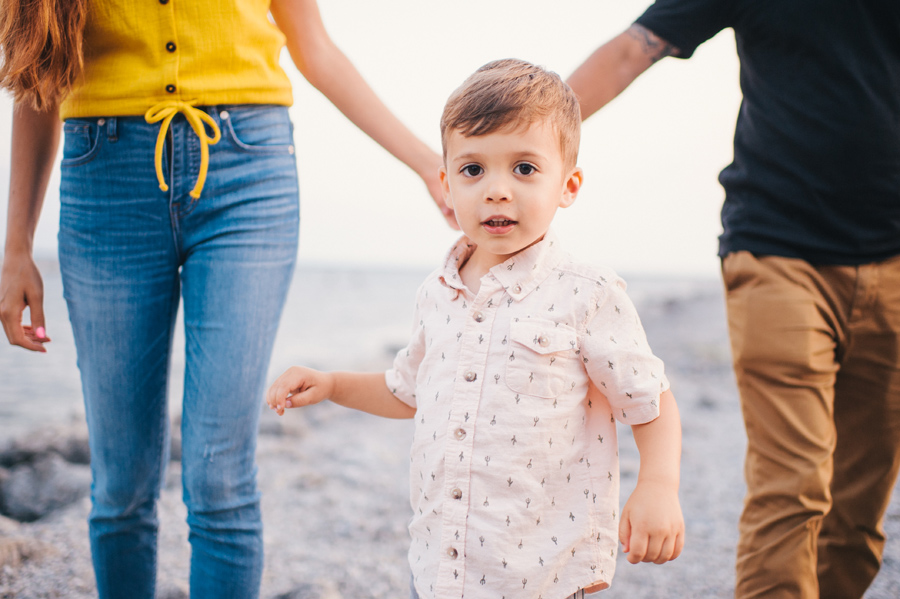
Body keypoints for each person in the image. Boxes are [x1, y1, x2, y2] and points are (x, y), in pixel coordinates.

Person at [0, 1, 454, 598]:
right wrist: (16, 247)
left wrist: (428, 163)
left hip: (249, 174)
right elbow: (40, 74)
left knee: (220, 476)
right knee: (120, 485)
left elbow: (313, 46)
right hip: (105, 175)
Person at [266, 58, 685, 599]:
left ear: (569, 185)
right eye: (473, 170)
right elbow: (406, 390)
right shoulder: (436, 293)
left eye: (525, 169)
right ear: (446, 183)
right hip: (445, 564)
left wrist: (657, 484)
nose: (496, 190)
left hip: (543, 570)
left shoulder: (587, 293)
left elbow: (650, 398)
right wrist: (333, 385)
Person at [565, 2, 900, 598]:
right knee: (793, 487)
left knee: (856, 516)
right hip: (778, 250)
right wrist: (510, 154)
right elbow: (630, 50)